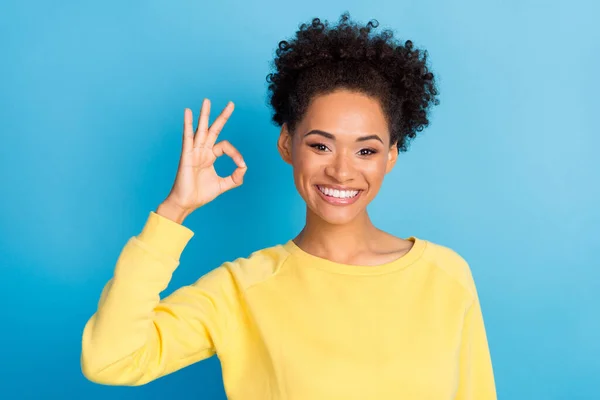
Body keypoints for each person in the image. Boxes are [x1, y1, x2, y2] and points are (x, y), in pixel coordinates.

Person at [81, 12, 497, 399]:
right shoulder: (242, 290)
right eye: (320, 145)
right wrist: (175, 210)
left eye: (366, 152)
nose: (341, 171)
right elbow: (110, 359)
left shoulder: (445, 275)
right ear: (287, 144)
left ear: (390, 156)